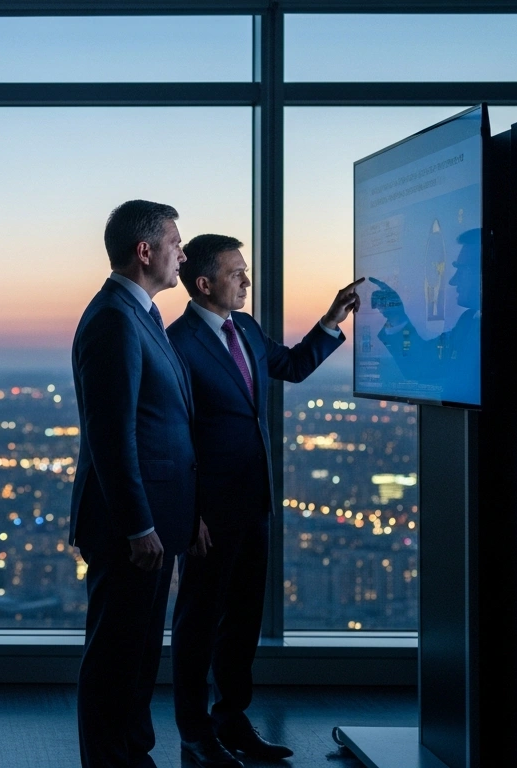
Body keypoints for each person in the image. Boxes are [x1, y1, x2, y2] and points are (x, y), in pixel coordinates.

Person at [165, 234, 359, 766]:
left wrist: (330, 320)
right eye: (236, 273)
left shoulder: (244, 328)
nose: (247, 281)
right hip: (208, 512)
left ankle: (232, 720)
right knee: (198, 624)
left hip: (254, 500)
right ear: (204, 283)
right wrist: (189, 511)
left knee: (244, 620)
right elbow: (173, 435)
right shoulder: (176, 343)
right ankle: (194, 732)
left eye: (245, 271)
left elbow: (291, 366)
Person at [70, 200, 195, 768]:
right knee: (117, 653)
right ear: (144, 251)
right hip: (130, 526)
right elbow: (111, 435)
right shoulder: (116, 319)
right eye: (175, 241)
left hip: (152, 520)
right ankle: (109, 760)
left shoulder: (139, 314)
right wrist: (139, 524)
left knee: (139, 651)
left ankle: (131, 754)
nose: (183, 253)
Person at [368, 228, 482, 402]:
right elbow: (420, 363)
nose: (453, 280)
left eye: (462, 269)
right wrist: (396, 316)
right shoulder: (467, 322)